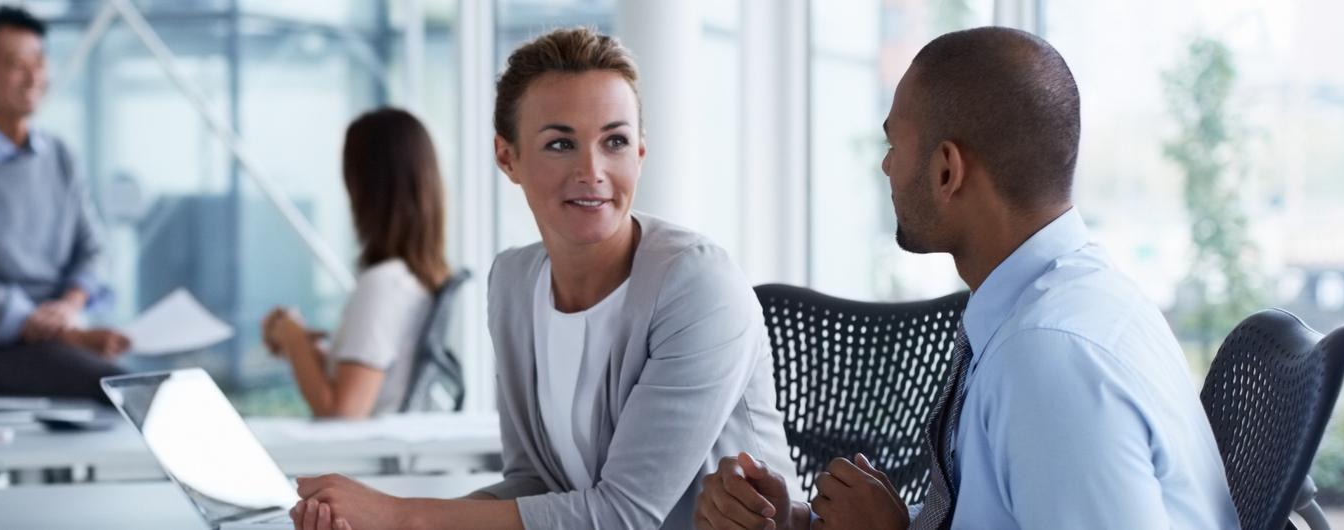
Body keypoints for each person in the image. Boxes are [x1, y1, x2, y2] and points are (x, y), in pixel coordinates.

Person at [692, 27, 1237, 530]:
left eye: (894, 146)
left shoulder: (1048, 359)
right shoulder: (1053, 306)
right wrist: (801, 520)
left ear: (947, 170)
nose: (886, 168)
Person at [290, 27, 800, 530]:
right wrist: (377, 520)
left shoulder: (697, 284)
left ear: (639, 153)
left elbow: (625, 515)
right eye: (561, 144)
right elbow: (535, 482)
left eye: (615, 141)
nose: (592, 170)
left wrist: (401, 515)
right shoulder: (512, 282)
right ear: (507, 157)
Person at [0, 6, 128, 402]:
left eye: (39, 61)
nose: (33, 77)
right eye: (16, 64)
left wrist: (70, 306)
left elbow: (94, 248)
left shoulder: (60, 156)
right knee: (119, 390)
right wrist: (71, 334)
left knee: (157, 381)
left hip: (65, 335)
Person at [262, 108, 452, 419]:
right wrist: (295, 339)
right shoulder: (410, 280)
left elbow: (342, 413)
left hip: (358, 460)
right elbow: (360, 381)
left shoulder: (383, 285)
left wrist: (293, 337)